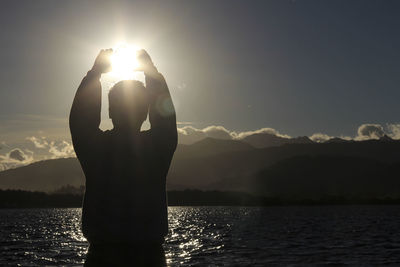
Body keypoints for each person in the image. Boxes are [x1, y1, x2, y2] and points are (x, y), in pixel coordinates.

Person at [69, 48, 177, 266]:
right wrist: (152, 74)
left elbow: (81, 120)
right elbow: (165, 120)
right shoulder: (158, 147)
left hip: (102, 257)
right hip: (149, 257)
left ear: (109, 111)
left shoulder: (96, 148)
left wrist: (95, 74)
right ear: (146, 113)